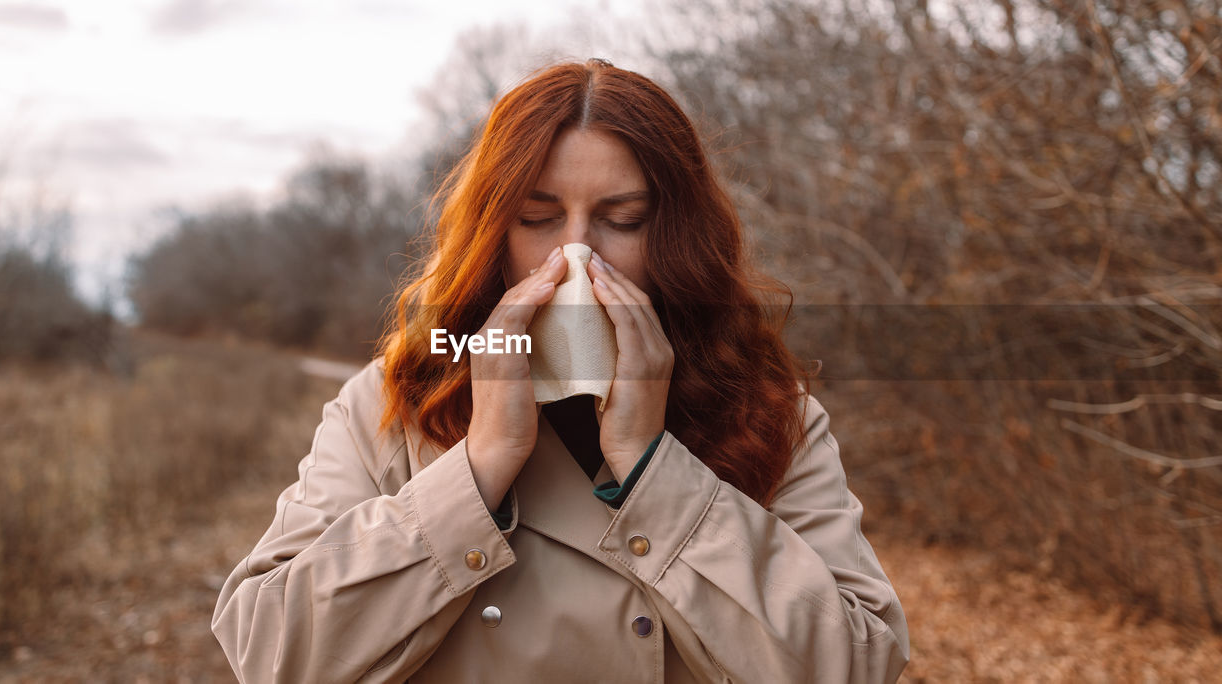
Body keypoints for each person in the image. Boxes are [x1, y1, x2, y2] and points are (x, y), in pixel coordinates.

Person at [211, 58, 910, 683]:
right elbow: (272, 655)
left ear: (674, 237)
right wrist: (481, 466)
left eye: (623, 219)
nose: (576, 257)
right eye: (538, 218)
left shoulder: (760, 409)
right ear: (494, 235)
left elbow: (857, 663)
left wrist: (650, 469)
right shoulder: (391, 405)